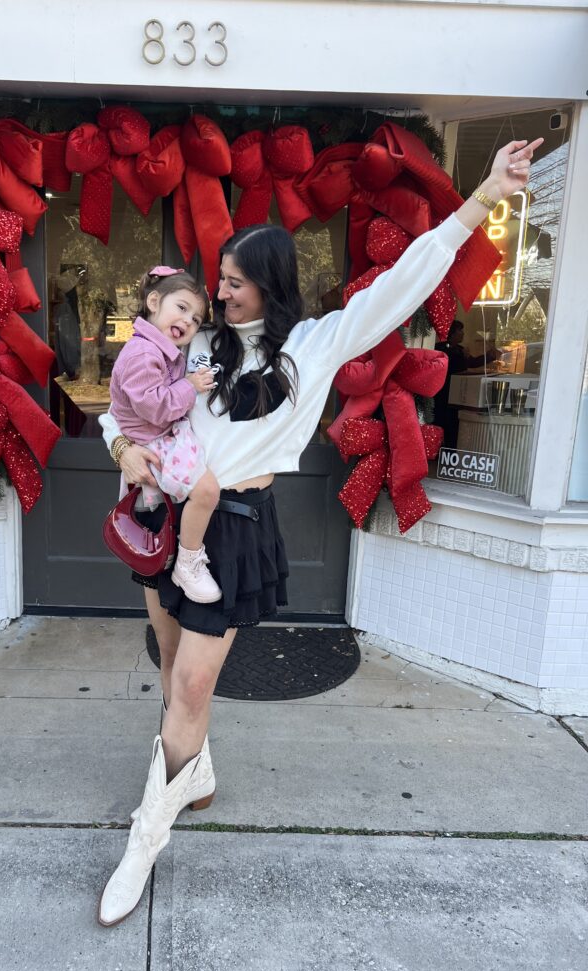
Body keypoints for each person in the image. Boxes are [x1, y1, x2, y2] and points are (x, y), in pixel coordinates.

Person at [96, 137, 543, 927]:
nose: (217, 295)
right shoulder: (198, 345)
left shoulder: (315, 344)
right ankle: (193, 775)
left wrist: (484, 196)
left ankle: (143, 841)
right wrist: (123, 447)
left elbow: (409, 280)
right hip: (168, 515)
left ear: (266, 284)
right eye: (216, 283)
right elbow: (124, 407)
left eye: (231, 284)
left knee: (193, 684)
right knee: (174, 676)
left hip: (233, 528)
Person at [110, 266, 223, 603]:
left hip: (159, 436)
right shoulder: (143, 354)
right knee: (206, 491)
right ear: (154, 301)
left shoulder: (157, 347)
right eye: (182, 308)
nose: (188, 322)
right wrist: (189, 386)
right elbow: (155, 408)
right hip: (155, 439)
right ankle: (188, 563)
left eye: (196, 319)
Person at [433, 319, 502, 448]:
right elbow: (451, 365)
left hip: (456, 394)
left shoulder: (460, 349)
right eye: (460, 331)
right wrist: (460, 355)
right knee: (442, 421)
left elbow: (472, 363)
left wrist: (490, 356)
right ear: (452, 333)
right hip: (443, 393)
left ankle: (450, 452)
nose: (463, 334)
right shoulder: (442, 348)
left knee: (453, 424)